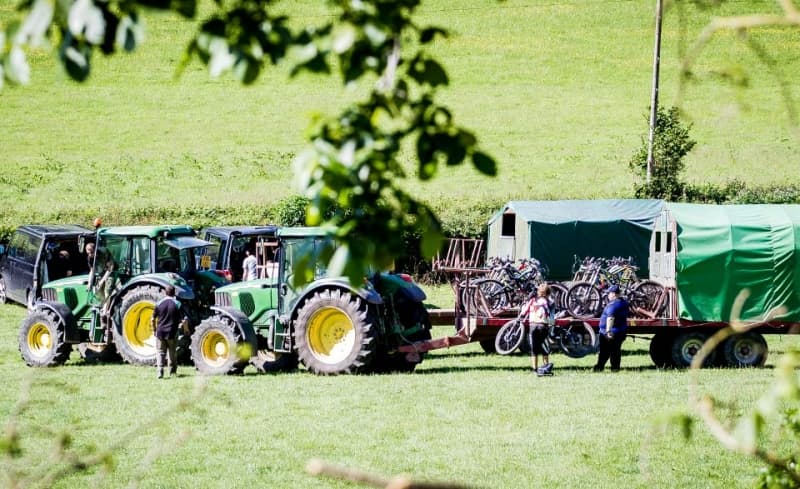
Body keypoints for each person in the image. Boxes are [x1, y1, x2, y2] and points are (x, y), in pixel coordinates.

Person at [149, 285, 189, 379]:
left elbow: (152, 319)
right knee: (172, 352)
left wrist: (154, 330)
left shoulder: (159, 303)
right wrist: (186, 330)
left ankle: (160, 371)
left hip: (160, 332)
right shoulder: (177, 304)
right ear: (174, 293)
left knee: (160, 352)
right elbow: (184, 320)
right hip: (172, 332)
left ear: (165, 292)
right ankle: (172, 372)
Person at [593, 284, 629, 372]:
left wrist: (608, 331)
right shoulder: (624, 303)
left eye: (609, 293)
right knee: (615, 351)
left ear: (614, 294)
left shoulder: (613, 305)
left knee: (605, 351)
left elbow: (610, 318)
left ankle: (600, 367)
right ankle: (614, 368)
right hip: (620, 331)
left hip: (611, 333)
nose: (608, 295)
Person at [520, 283, 554, 376]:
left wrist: (525, 304)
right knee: (544, 348)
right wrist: (552, 327)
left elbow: (523, 312)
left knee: (534, 349)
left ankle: (535, 369)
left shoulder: (532, 300)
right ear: (548, 293)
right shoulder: (549, 302)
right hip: (543, 326)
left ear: (538, 292)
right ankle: (546, 367)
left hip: (533, 325)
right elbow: (551, 316)